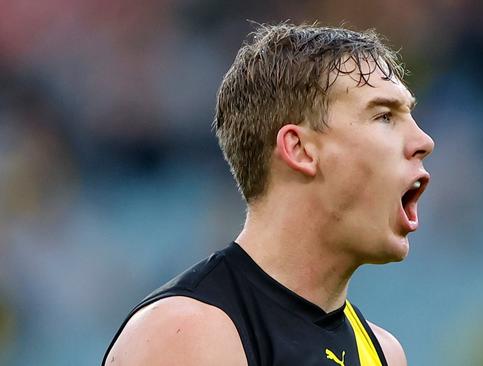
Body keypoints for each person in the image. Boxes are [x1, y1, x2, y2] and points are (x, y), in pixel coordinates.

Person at [103, 22, 434, 366]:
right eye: (384, 116)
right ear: (300, 149)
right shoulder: (187, 335)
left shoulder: (384, 353)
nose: (424, 141)